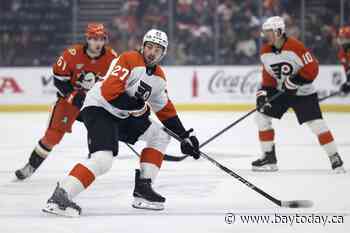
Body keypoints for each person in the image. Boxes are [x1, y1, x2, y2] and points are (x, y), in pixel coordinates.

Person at [42, 29, 200, 217]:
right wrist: (139, 107)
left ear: (163, 53)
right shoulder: (130, 59)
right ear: (143, 46)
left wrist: (185, 136)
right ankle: (61, 196)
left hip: (122, 115)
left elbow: (165, 110)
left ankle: (143, 189)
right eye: (149, 47)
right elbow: (110, 94)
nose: (152, 52)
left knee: (160, 135)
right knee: (103, 160)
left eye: (157, 49)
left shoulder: (159, 78)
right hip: (99, 109)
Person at [15, 23, 118, 180]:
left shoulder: (112, 57)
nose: (98, 43)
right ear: (87, 39)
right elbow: (59, 80)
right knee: (53, 136)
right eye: (94, 39)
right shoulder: (71, 54)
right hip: (69, 102)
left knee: (101, 132)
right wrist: (73, 96)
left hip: (94, 102)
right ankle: (31, 166)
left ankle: (93, 164)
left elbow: (115, 82)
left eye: (101, 39)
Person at [251, 16, 345, 173]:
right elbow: (268, 76)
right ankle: (269, 157)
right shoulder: (265, 51)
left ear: (279, 31)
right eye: (265, 32)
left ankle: (334, 157)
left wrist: (296, 81)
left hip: (303, 93)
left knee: (316, 124)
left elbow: (313, 68)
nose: (265, 35)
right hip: (282, 92)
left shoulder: (296, 47)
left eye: (268, 32)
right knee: (261, 117)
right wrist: (263, 94)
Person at [337, 26, 350, 95]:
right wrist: (348, 82)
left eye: (343, 38)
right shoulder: (342, 53)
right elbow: (348, 69)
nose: (340, 40)